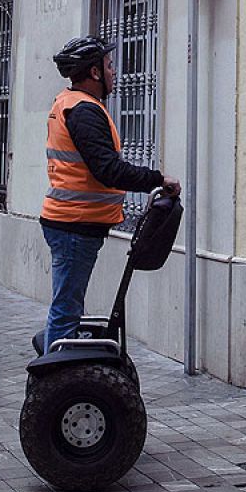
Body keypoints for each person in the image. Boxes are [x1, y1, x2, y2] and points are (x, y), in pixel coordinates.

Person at [41, 36, 180, 351]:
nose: (114, 71)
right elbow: (108, 171)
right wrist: (158, 179)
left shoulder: (70, 102)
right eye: (108, 65)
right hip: (73, 225)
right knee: (66, 312)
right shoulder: (84, 111)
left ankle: (55, 380)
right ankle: (52, 387)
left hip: (71, 223)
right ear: (93, 73)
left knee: (67, 308)